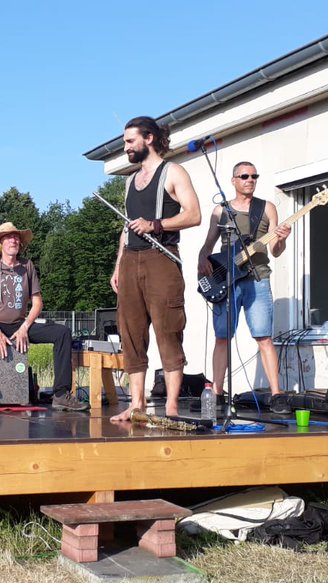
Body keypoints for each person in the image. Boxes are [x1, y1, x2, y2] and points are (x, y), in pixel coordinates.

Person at [110, 116, 201, 423]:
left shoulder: (173, 172)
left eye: (129, 141)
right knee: (131, 333)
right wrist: (118, 265)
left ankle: (172, 407)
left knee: (168, 329)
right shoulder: (128, 181)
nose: (126, 148)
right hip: (131, 261)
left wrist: (156, 224)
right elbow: (126, 227)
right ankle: (136, 404)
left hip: (161, 258)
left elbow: (194, 214)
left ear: (148, 138)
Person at [0, 222, 89, 411]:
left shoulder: (27, 266)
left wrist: (25, 326)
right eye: (9, 237)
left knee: (62, 332)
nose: (14, 240)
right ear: (0, 243)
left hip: (19, 325)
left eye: (16, 237)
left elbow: (38, 302)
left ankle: (60, 394)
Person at [197, 162, 290, 411]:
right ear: (234, 180)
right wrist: (202, 260)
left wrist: (281, 240)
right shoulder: (221, 211)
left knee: (264, 337)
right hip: (227, 279)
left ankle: (277, 394)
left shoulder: (267, 208)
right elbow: (208, 243)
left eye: (254, 176)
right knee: (222, 337)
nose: (250, 179)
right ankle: (217, 394)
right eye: (245, 176)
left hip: (258, 278)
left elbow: (276, 251)